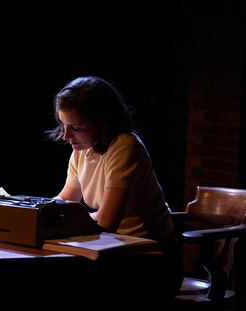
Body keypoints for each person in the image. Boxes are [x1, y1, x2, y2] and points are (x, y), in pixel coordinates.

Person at [48, 76, 183, 299]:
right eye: (63, 125)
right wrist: (32, 210)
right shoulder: (82, 151)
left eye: (77, 127)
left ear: (103, 122)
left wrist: (58, 218)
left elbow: (106, 221)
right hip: (112, 252)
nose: (66, 135)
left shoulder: (125, 146)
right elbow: (66, 199)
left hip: (151, 259)